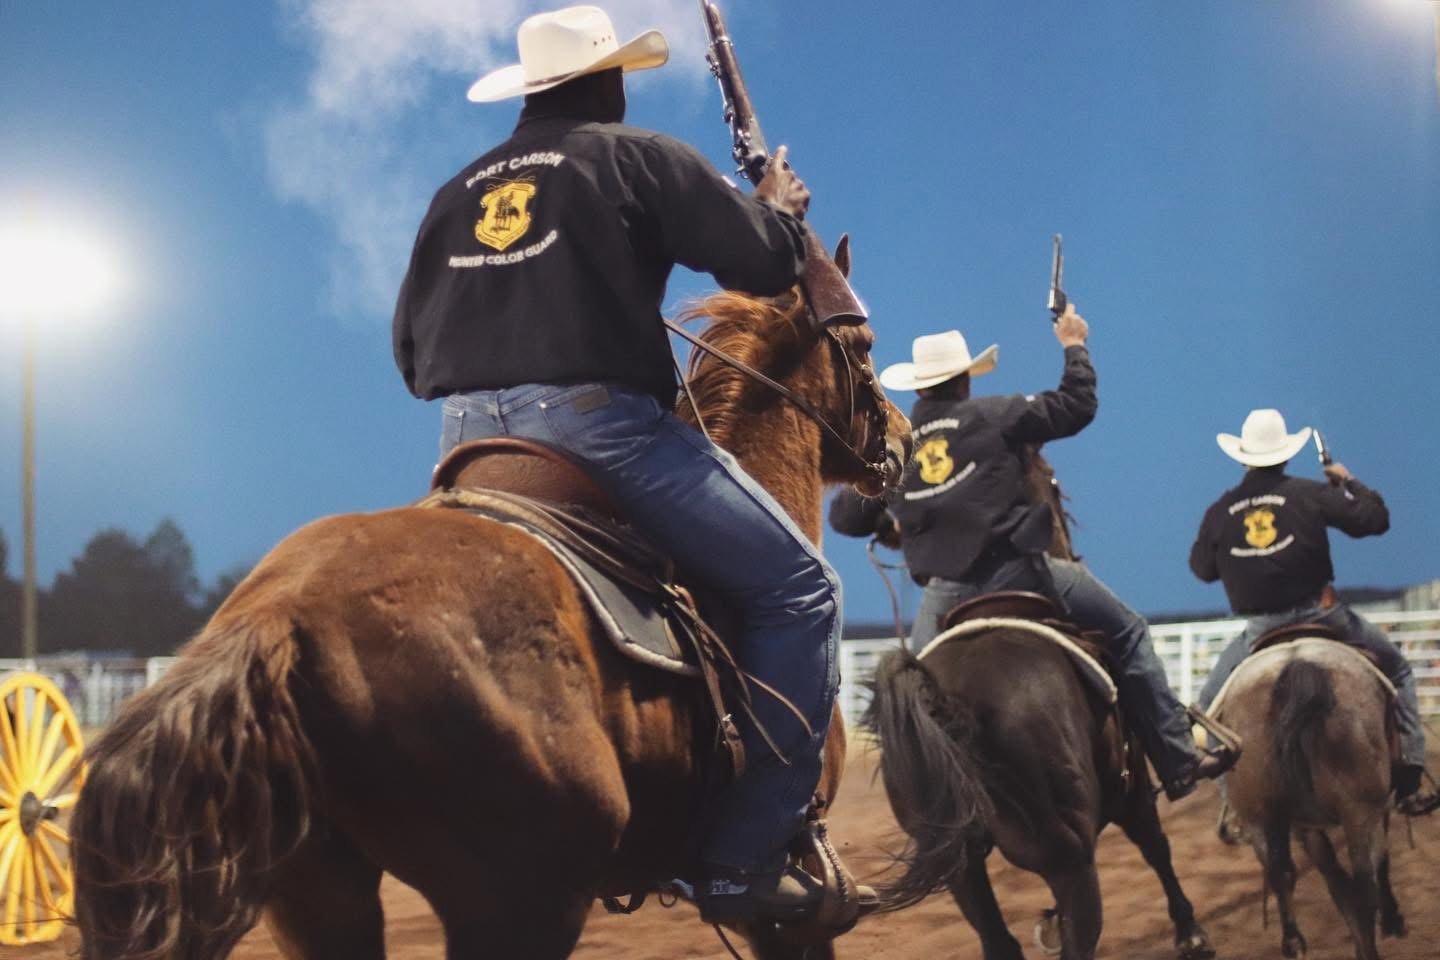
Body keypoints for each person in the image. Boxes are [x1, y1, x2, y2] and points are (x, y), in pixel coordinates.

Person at [392, 5, 865, 925]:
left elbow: (413, 359)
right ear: (611, 79)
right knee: (803, 592)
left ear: (530, 90)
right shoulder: (633, 154)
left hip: (466, 442)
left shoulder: (454, 191)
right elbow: (766, 265)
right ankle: (743, 855)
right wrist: (780, 209)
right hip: (596, 426)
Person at [830, 310, 1236, 800]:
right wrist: (1074, 344)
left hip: (945, 595)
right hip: (1021, 574)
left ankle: (925, 800)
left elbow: (845, 519)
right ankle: (1177, 757)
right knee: (1129, 631)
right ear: (964, 381)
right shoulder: (999, 414)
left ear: (918, 390)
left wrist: (897, 515)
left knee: (915, 698)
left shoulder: (899, 444)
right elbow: (1077, 405)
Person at [1190, 408, 1434, 814]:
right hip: (1323, 616)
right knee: (1400, 671)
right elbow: (1375, 521)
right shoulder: (1309, 492)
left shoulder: (1221, 510)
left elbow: (1202, 570)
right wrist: (1349, 483)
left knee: (1210, 702)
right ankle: (1410, 773)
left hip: (1260, 630)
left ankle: (1232, 801)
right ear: (1285, 454)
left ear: (1244, 456)